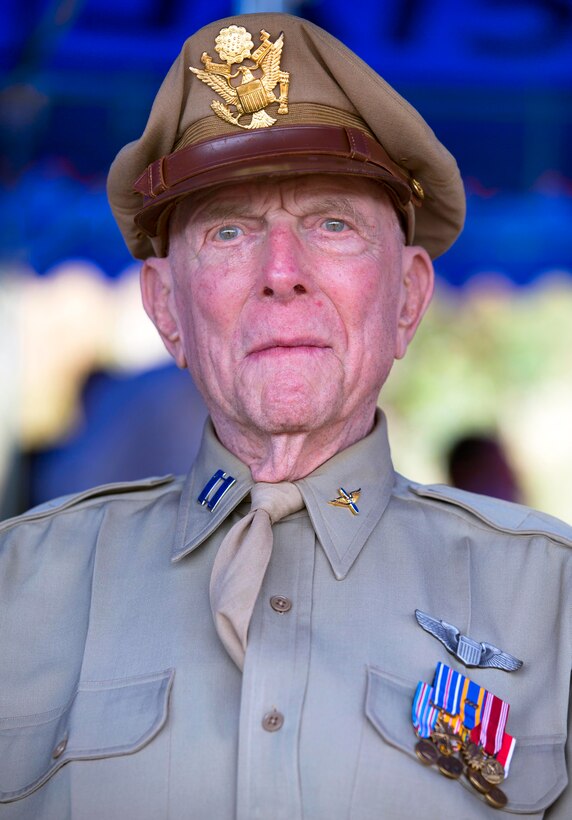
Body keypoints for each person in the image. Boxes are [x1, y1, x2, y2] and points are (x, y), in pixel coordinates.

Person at [0, 12, 570, 820]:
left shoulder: (554, 600)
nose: (281, 274)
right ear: (166, 307)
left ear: (407, 297)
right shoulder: (16, 589)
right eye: (229, 231)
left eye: (331, 223)